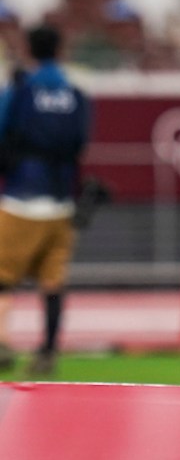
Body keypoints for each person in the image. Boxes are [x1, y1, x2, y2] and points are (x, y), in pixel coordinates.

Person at [0, 24, 91, 377]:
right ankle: (48, 351)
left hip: (20, 198)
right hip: (61, 201)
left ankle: (3, 342)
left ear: (29, 50)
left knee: (2, 278)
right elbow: (80, 144)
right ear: (60, 48)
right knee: (53, 281)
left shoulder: (20, 90)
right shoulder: (76, 93)